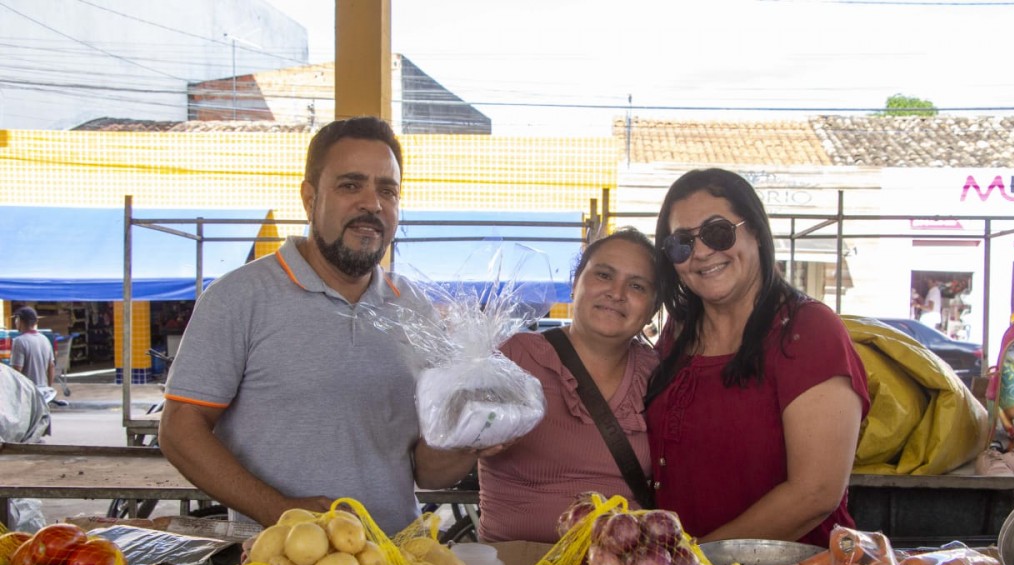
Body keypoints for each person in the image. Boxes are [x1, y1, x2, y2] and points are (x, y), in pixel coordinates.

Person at [158, 116, 472, 533]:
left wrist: (474, 435)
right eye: (350, 185)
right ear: (309, 199)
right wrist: (282, 512)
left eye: (387, 190)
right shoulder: (240, 297)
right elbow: (180, 430)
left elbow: (427, 473)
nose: (372, 204)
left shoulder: (413, 306)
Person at [645, 168, 870, 548]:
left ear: (756, 234)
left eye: (717, 232)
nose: (700, 252)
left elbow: (815, 493)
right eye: (681, 243)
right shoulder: (677, 335)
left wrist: (697, 562)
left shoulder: (808, 330)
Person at [471, 228, 660, 542]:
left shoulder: (660, 375)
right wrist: (466, 442)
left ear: (652, 308)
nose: (617, 292)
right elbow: (436, 468)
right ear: (575, 284)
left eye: (637, 285)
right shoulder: (514, 357)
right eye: (603, 274)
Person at [10, 307, 54, 389]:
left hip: (28, 393)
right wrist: (49, 387)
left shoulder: (19, 341)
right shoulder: (45, 340)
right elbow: (51, 366)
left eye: (16, 319)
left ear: (19, 320)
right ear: (36, 322)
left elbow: (17, 371)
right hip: (43, 392)